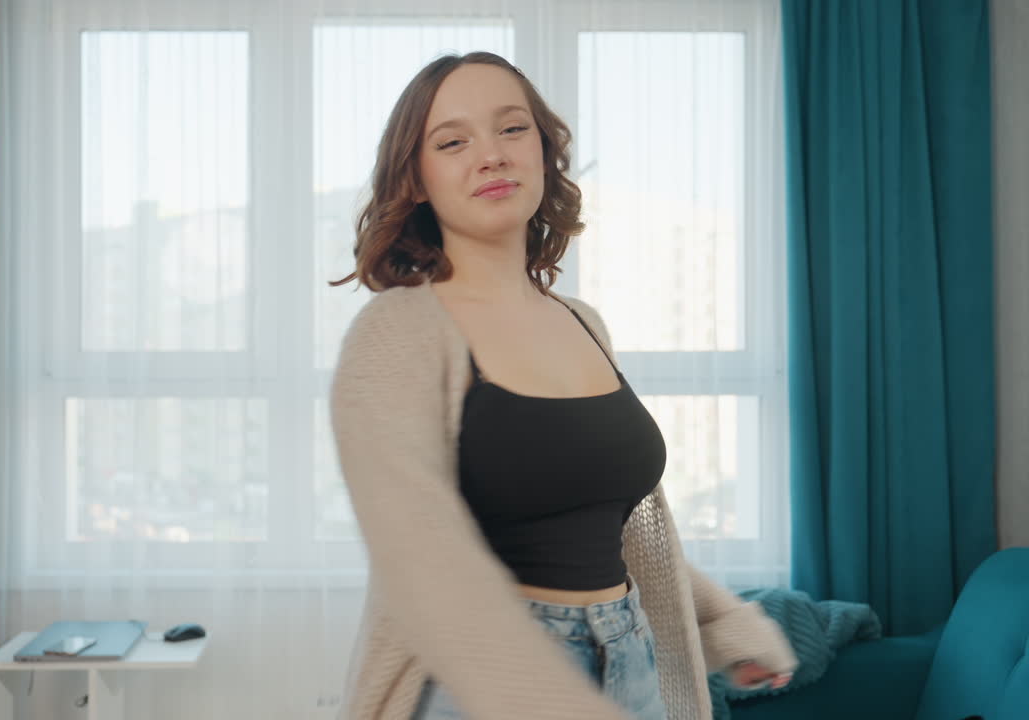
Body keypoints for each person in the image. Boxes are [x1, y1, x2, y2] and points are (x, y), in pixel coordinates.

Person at [327, 51, 798, 720]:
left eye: (512, 129)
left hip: (630, 659)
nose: (490, 155)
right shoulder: (394, 334)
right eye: (453, 141)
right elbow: (421, 560)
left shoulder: (582, 322)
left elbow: (624, 529)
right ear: (418, 180)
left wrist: (727, 626)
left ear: (544, 154)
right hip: (481, 685)